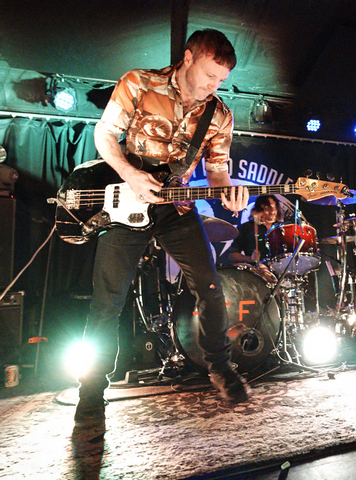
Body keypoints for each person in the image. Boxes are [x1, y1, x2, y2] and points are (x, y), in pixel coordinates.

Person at [75, 29, 251, 423]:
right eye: (209, 74)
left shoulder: (219, 114)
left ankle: (220, 366)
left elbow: (218, 172)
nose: (214, 85)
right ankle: (91, 391)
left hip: (177, 206)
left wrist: (229, 192)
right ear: (188, 58)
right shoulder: (140, 82)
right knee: (107, 302)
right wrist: (130, 174)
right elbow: (104, 134)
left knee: (210, 285)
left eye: (220, 79)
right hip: (126, 200)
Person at [228, 195, 282, 265]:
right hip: (257, 270)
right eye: (268, 208)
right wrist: (250, 259)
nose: (272, 212)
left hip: (281, 269)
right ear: (259, 210)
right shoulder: (247, 227)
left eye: (274, 207)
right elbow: (232, 256)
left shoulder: (281, 228)